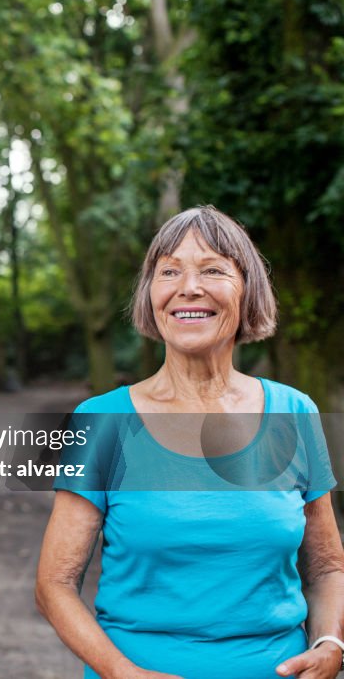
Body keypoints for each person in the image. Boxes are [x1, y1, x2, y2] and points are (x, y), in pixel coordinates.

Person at [36, 206, 344, 679]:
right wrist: (123, 673)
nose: (188, 288)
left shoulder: (294, 412)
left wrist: (330, 643)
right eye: (170, 272)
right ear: (151, 295)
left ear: (248, 290)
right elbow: (54, 584)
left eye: (213, 270)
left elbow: (326, 568)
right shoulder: (101, 420)